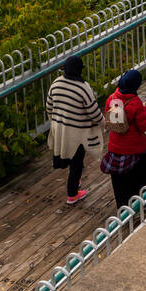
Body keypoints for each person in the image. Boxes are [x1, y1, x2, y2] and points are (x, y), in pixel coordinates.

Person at [45, 55, 103, 205]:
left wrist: (57, 121)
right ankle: (72, 194)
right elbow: (94, 112)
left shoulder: (56, 83)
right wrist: (104, 123)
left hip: (60, 128)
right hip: (77, 132)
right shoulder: (83, 88)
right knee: (77, 162)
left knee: (69, 157)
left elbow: (49, 106)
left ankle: (75, 183)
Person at [100, 68, 146, 213]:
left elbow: (112, 121)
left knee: (121, 184)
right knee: (145, 176)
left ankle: (124, 210)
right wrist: (144, 109)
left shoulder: (112, 99)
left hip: (115, 148)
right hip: (136, 149)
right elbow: (144, 126)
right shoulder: (136, 103)